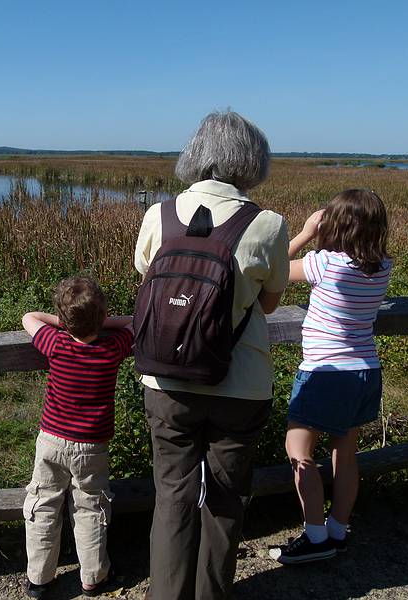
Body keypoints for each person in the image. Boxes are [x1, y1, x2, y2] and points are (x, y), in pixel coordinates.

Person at [134, 110, 289, 599]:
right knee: (225, 499)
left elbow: (149, 282)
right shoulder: (267, 224)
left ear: (196, 154)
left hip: (167, 380)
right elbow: (268, 302)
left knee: (172, 497)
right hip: (239, 383)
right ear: (252, 160)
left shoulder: (158, 215)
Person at [269, 189, 392, 565]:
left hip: (326, 372)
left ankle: (315, 536)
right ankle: (338, 529)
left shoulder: (324, 264)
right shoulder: (382, 265)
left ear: (334, 225)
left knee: (298, 451)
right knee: (345, 452)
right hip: (365, 371)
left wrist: (306, 232)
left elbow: (273, 268)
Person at [20, 275, 134, 599]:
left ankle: (38, 580)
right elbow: (138, 321)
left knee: (43, 505)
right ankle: (94, 577)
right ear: (102, 316)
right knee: (91, 507)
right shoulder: (112, 348)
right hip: (92, 446)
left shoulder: (56, 343)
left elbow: (29, 317)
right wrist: (104, 320)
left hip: (51, 441)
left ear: (64, 319)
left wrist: (64, 321)